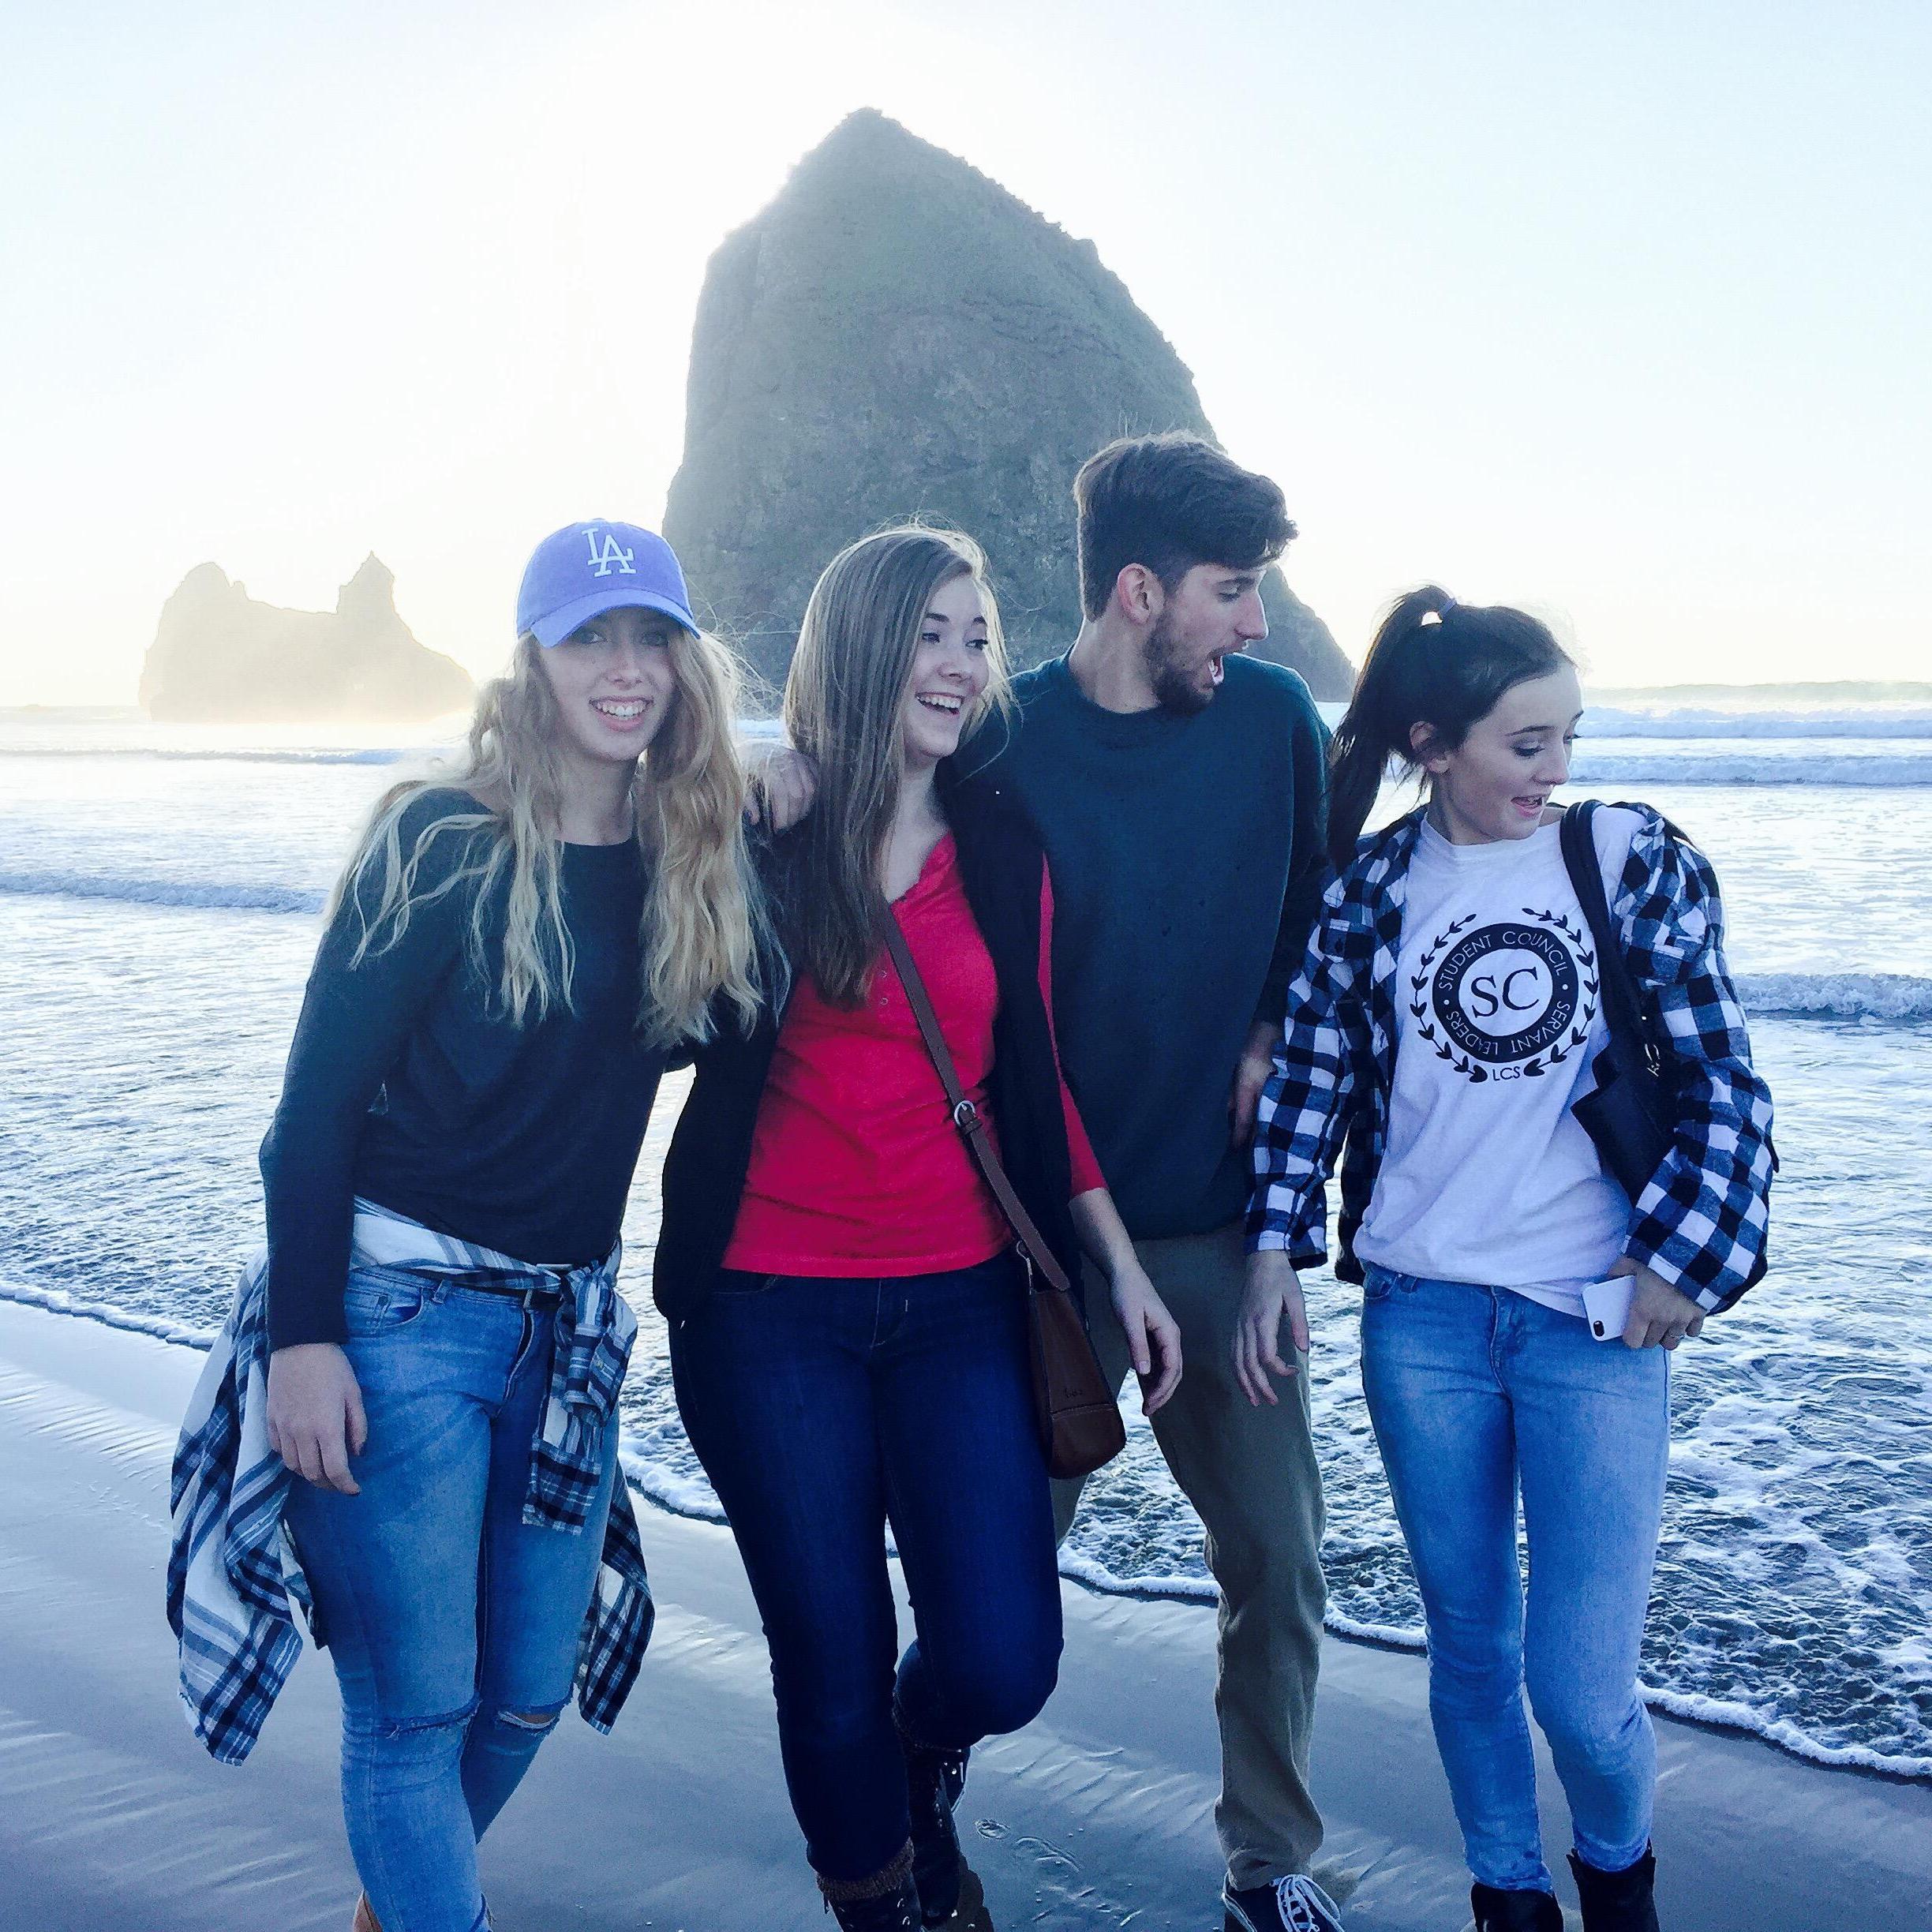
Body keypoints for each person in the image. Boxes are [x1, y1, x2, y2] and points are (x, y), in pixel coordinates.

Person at [170, 519, 766, 1932]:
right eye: (590, 640)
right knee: (414, 1706)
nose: (624, 671)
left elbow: (761, 1017)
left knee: (529, 1687)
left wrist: (769, 801)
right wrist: (305, 1343)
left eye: (651, 641)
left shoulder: (689, 856)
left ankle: (402, 1904)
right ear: (534, 660)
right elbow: (309, 1117)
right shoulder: (440, 841)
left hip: (563, 1330)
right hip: (395, 1320)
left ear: (684, 662)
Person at [653, 525, 1183, 1932]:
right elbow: (654, 1012)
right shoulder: (762, 832)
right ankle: (889, 1904)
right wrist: (726, 816)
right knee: (825, 1657)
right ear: (868, 647)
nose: (961, 665)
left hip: (958, 1303)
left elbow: (1038, 1076)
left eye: (977, 637)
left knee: (1003, 1660)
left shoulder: (1005, 849)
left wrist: (1118, 1267)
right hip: (766, 1310)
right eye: (934, 634)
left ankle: (923, 1750)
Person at [1242, 589, 1776, 1932]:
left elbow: (1722, 1079)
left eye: (1569, 740)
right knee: (1469, 1651)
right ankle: (1508, 1896)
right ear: (1436, 743)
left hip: (1590, 1323)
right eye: (1526, 744)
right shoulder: (1371, 892)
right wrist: (1272, 1250)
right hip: (1419, 1318)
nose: (1556, 772)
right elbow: (1308, 1079)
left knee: (1583, 1693)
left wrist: (1684, 1263)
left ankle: (1619, 1890)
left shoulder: (1627, 858)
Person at [960, 432, 1341, 1932]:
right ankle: (919, 1800)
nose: (1255, 624)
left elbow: (1319, 924)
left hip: (1220, 1231)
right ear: (1138, 590)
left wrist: (1261, 1033)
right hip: (1045, 1252)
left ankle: (1271, 1868)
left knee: (1280, 1561)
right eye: (1234, 593)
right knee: (997, 1587)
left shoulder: (1275, 727)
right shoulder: (1002, 741)